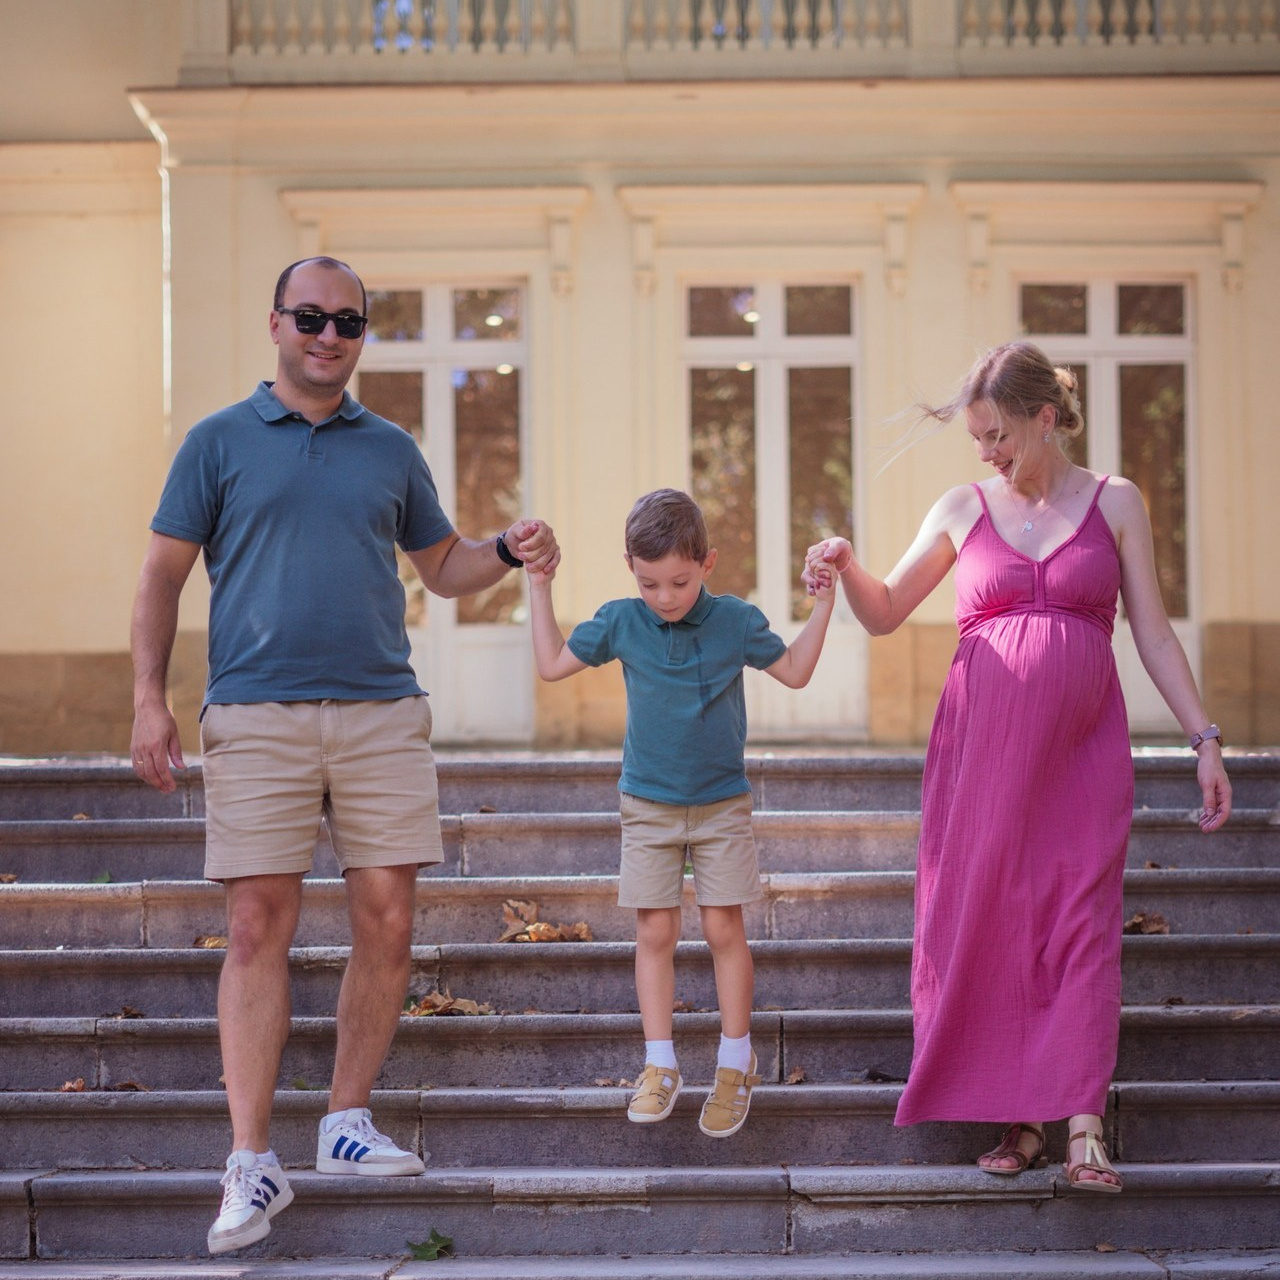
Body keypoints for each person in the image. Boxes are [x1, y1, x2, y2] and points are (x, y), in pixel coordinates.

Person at [129, 255, 559, 1255]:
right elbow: (161, 573)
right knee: (252, 922)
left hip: (378, 710)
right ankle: (249, 1159)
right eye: (311, 317)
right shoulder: (217, 441)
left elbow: (441, 567)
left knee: (389, 914)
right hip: (256, 710)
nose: (329, 335)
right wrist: (148, 699)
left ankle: (345, 1123)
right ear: (275, 321)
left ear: (363, 334)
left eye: (349, 322)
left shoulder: (390, 448)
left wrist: (504, 548)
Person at [804, 341, 1230, 1194]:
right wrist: (844, 567)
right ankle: (1021, 1121)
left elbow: (1150, 632)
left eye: (997, 433)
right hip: (983, 755)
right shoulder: (963, 507)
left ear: (1045, 417)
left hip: (1081, 751)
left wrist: (1204, 739)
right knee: (997, 920)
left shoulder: (1117, 502)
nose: (987, 452)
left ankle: (1083, 1126)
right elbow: (886, 612)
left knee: (1080, 918)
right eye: (977, 439)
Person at [529, 488, 836, 1137]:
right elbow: (553, 664)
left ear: (708, 563)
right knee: (654, 934)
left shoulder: (736, 621)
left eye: (679, 582)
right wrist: (538, 583)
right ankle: (660, 1064)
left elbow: (799, 671)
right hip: (648, 804)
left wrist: (825, 602)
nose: (665, 597)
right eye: (650, 583)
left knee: (726, 930)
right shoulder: (620, 620)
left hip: (721, 804)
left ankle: (734, 1063)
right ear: (629, 569)